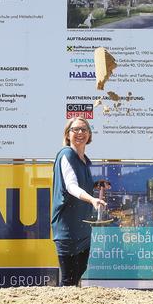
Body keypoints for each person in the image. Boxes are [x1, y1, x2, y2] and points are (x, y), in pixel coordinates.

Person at [51, 117, 106, 286]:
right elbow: (71, 186)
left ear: (89, 135)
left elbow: (80, 183)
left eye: (84, 129)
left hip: (82, 228)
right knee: (69, 279)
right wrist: (92, 199)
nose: (80, 133)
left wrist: (97, 185)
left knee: (79, 271)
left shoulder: (84, 160)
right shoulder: (66, 154)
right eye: (75, 129)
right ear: (68, 135)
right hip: (67, 228)